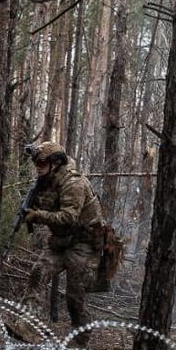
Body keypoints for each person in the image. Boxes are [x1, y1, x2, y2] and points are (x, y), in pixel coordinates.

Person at [19, 140, 104, 328]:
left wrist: (38, 215)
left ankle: (80, 337)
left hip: (84, 243)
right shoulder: (45, 181)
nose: (37, 167)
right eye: (35, 163)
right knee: (38, 272)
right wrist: (30, 212)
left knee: (74, 296)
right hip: (61, 241)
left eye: (42, 163)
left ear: (55, 163)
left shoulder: (73, 183)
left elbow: (69, 217)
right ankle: (26, 324)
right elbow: (45, 206)